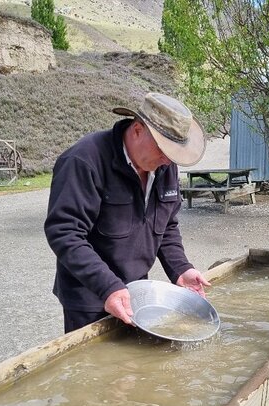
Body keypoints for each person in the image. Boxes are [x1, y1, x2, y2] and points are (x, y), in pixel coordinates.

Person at [44, 92, 211, 333]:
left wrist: (181, 269)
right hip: (88, 296)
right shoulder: (84, 160)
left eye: (173, 153)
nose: (167, 160)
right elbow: (64, 233)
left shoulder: (165, 165)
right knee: (94, 369)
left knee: (132, 368)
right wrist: (108, 287)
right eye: (163, 149)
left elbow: (166, 226)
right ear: (137, 130)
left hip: (136, 293)